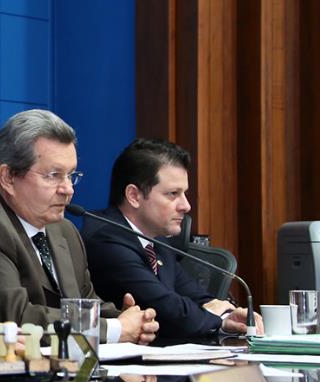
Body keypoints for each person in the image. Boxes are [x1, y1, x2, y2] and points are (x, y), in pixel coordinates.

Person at [0, 109, 160, 344]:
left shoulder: (63, 230)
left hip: (52, 368)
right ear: (8, 177)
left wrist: (131, 321)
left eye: (71, 175)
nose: (68, 189)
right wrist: (115, 329)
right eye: (53, 175)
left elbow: (85, 303)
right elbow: (17, 320)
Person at [81, 138, 261, 337]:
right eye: (173, 194)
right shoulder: (106, 241)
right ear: (134, 196)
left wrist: (228, 316)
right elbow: (168, 310)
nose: (186, 206)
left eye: (184, 193)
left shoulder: (157, 241)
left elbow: (194, 294)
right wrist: (217, 320)